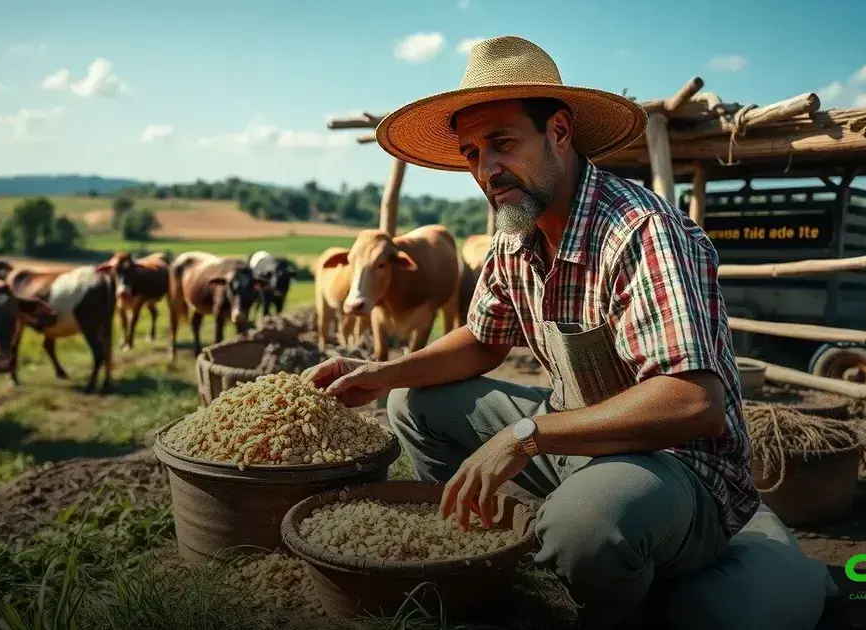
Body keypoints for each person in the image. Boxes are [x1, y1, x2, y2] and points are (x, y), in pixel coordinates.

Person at [304, 36, 833, 629]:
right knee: (411, 403)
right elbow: (483, 340)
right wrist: (381, 374)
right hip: (574, 438)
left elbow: (694, 402)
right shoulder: (514, 233)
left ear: (559, 131)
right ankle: (469, 552)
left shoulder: (640, 232)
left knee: (583, 527)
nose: (486, 169)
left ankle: (599, 590)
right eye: (472, 152)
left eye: (502, 143)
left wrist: (525, 436)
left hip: (678, 469)